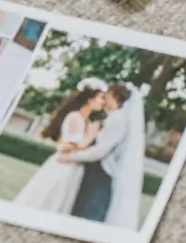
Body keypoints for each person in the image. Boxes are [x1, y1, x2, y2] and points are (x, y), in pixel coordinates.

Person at [61, 84, 143, 226]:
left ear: (116, 97)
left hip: (101, 174)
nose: (104, 100)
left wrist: (71, 157)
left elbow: (100, 151)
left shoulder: (118, 120)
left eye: (107, 96)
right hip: (94, 171)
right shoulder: (113, 117)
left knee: (89, 215)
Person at [13, 86, 101, 214]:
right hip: (63, 166)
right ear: (89, 99)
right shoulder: (75, 117)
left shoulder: (86, 121)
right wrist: (90, 138)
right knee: (48, 198)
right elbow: (66, 146)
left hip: (74, 167)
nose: (103, 102)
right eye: (100, 98)